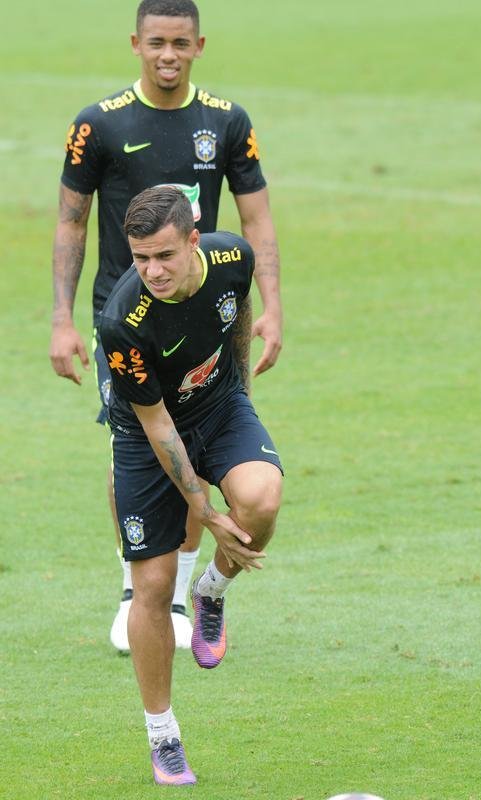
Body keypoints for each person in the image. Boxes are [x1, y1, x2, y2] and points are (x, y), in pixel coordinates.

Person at [49, 0, 282, 652]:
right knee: (134, 442)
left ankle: (181, 592)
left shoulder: (226, 121)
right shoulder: (98, 124)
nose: (168, 55)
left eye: (180, 42)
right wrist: (62, 319)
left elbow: (256, 219)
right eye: (157, 42)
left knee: (196, 439)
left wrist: (272, 305)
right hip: (123, 319)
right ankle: (136, 589)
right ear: (136, 44)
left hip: (202, 306)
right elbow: (70, 221)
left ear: (199, 45)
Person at [99, 184, 282, 785]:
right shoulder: (122, 321)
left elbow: (239, 312)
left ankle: (210, 592)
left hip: (219, 405)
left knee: (260, 500)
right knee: (151, 585)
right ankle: (163, 735)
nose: (152, 270)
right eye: (140, 258)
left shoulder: (231, 256)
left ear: (193, 242)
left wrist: (243, 400)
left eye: (164, 256)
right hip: (146, 435)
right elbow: (157, 426)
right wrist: (202, 509)